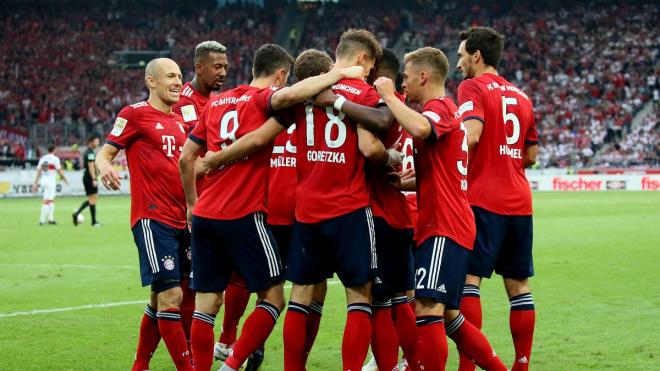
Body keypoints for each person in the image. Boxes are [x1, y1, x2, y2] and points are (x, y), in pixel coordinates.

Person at [179, 43, 364, 371]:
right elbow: (262, 134)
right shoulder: (264, 100)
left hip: (206, 214)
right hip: (246, 214)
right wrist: (340, 74)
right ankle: (233, 363)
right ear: (281, 75)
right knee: (277, 298)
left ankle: (214, 356)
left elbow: (185, 158)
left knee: (206, 305)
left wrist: (192, 203)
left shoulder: (217, 101)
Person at [374, 46, 507, 371]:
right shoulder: (444, 111)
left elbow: (421, 128)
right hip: (448, 223)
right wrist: (403, 183)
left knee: (427, 306)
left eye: (405, 77)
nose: (403, 84)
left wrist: (389, 96)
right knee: (449, 316)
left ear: (423, 76)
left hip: (444, 226)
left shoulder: (440, 109)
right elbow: (440, 174)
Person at [96, 58, 193, 371]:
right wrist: (105, 167)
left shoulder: (182, 121)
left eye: (180, 76)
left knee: (160, 298)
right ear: (151, 81)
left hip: (184, 220)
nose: (178, 82)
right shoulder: (134, 114)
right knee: (171, 296)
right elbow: (105, 152)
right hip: (153, 219)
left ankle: (140, 365)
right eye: (170, 76)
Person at [455, 27, 539, 371]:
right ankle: (522, 364)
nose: (458, 63)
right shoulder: (522, 96)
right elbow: (530, 155)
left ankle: (468, 365)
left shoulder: (471, 87)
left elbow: (471, 136)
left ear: (476, 55)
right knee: (518, 285)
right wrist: (505, 161)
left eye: (461, 55)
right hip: (519, 200)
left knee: (468, 281)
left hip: (482, 200)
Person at [33, 144, 69, 225]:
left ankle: (51, 219)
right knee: (47, 200)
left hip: (43, 180)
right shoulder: (55, 159)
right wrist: (65, 180)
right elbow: (59, 171)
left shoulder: (43, 158)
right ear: (54, 150)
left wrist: (35, 183)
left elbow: (39, 171)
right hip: (50, 181)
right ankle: (42, 220)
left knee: (51, 200)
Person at [73, 135, 101, 227]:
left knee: (91, 199)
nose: (97, 143)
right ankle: (93, 222)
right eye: (96, 141)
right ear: (91, 142)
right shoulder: (90, 153)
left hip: (87, 176)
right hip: (89, 177)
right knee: (93, 199)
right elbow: (91, 166)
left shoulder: (88, 152)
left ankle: (77, 214)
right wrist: (94, 178)